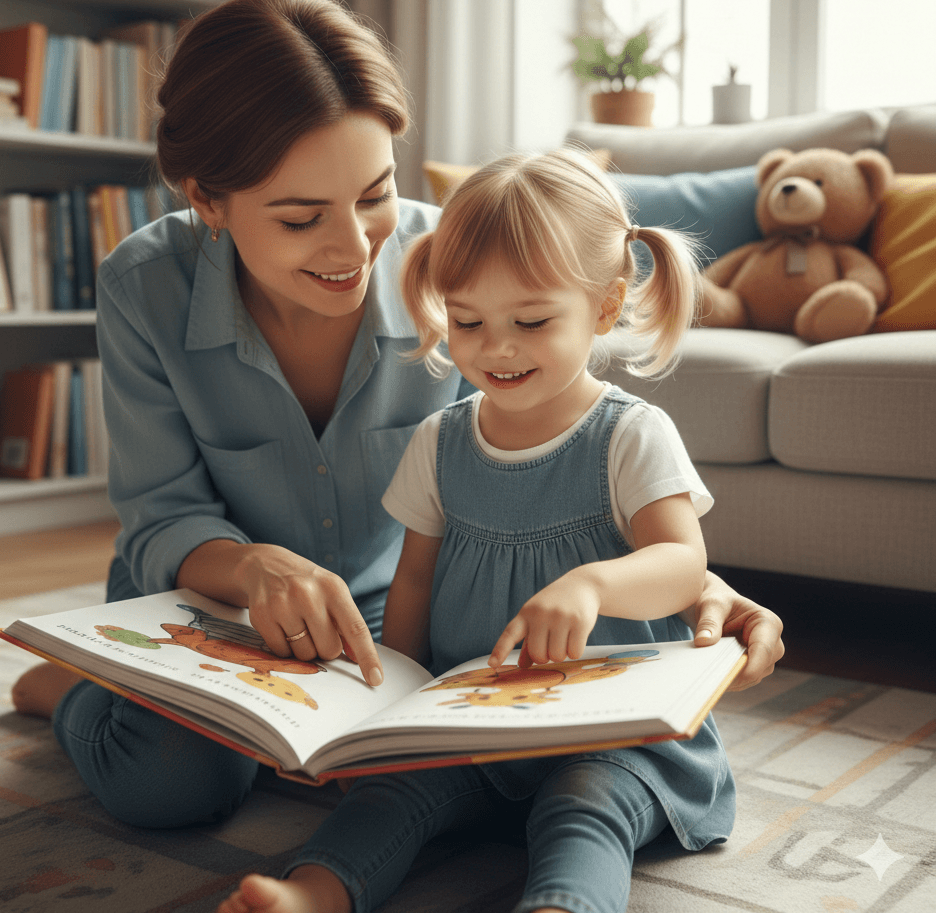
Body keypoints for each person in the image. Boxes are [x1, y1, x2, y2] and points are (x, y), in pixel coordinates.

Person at [11, 0, 783, 835]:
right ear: (208, 199)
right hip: (208, 603)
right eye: (302, 218)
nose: (354, 249)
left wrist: (700, 584)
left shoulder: (451, 271)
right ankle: (73, 692)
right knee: (173, 787)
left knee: (507, 762)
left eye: (374, 194)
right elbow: (161, 516)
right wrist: (254, 568)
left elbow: (526, 466)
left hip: (388, 614)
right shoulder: (142, 285)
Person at [218, 147, 740, 913]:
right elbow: (417, 578)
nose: (495, 347)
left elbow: (683, 564)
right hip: (475, 724)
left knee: (584, 810)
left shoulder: (630, 435)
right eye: (468, 321)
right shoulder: (441, 441)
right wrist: (387, 702)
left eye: (530, 321)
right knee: (388, 798)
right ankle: (314, 897)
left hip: (617, 735)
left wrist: (592, 585)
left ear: (603, 306)